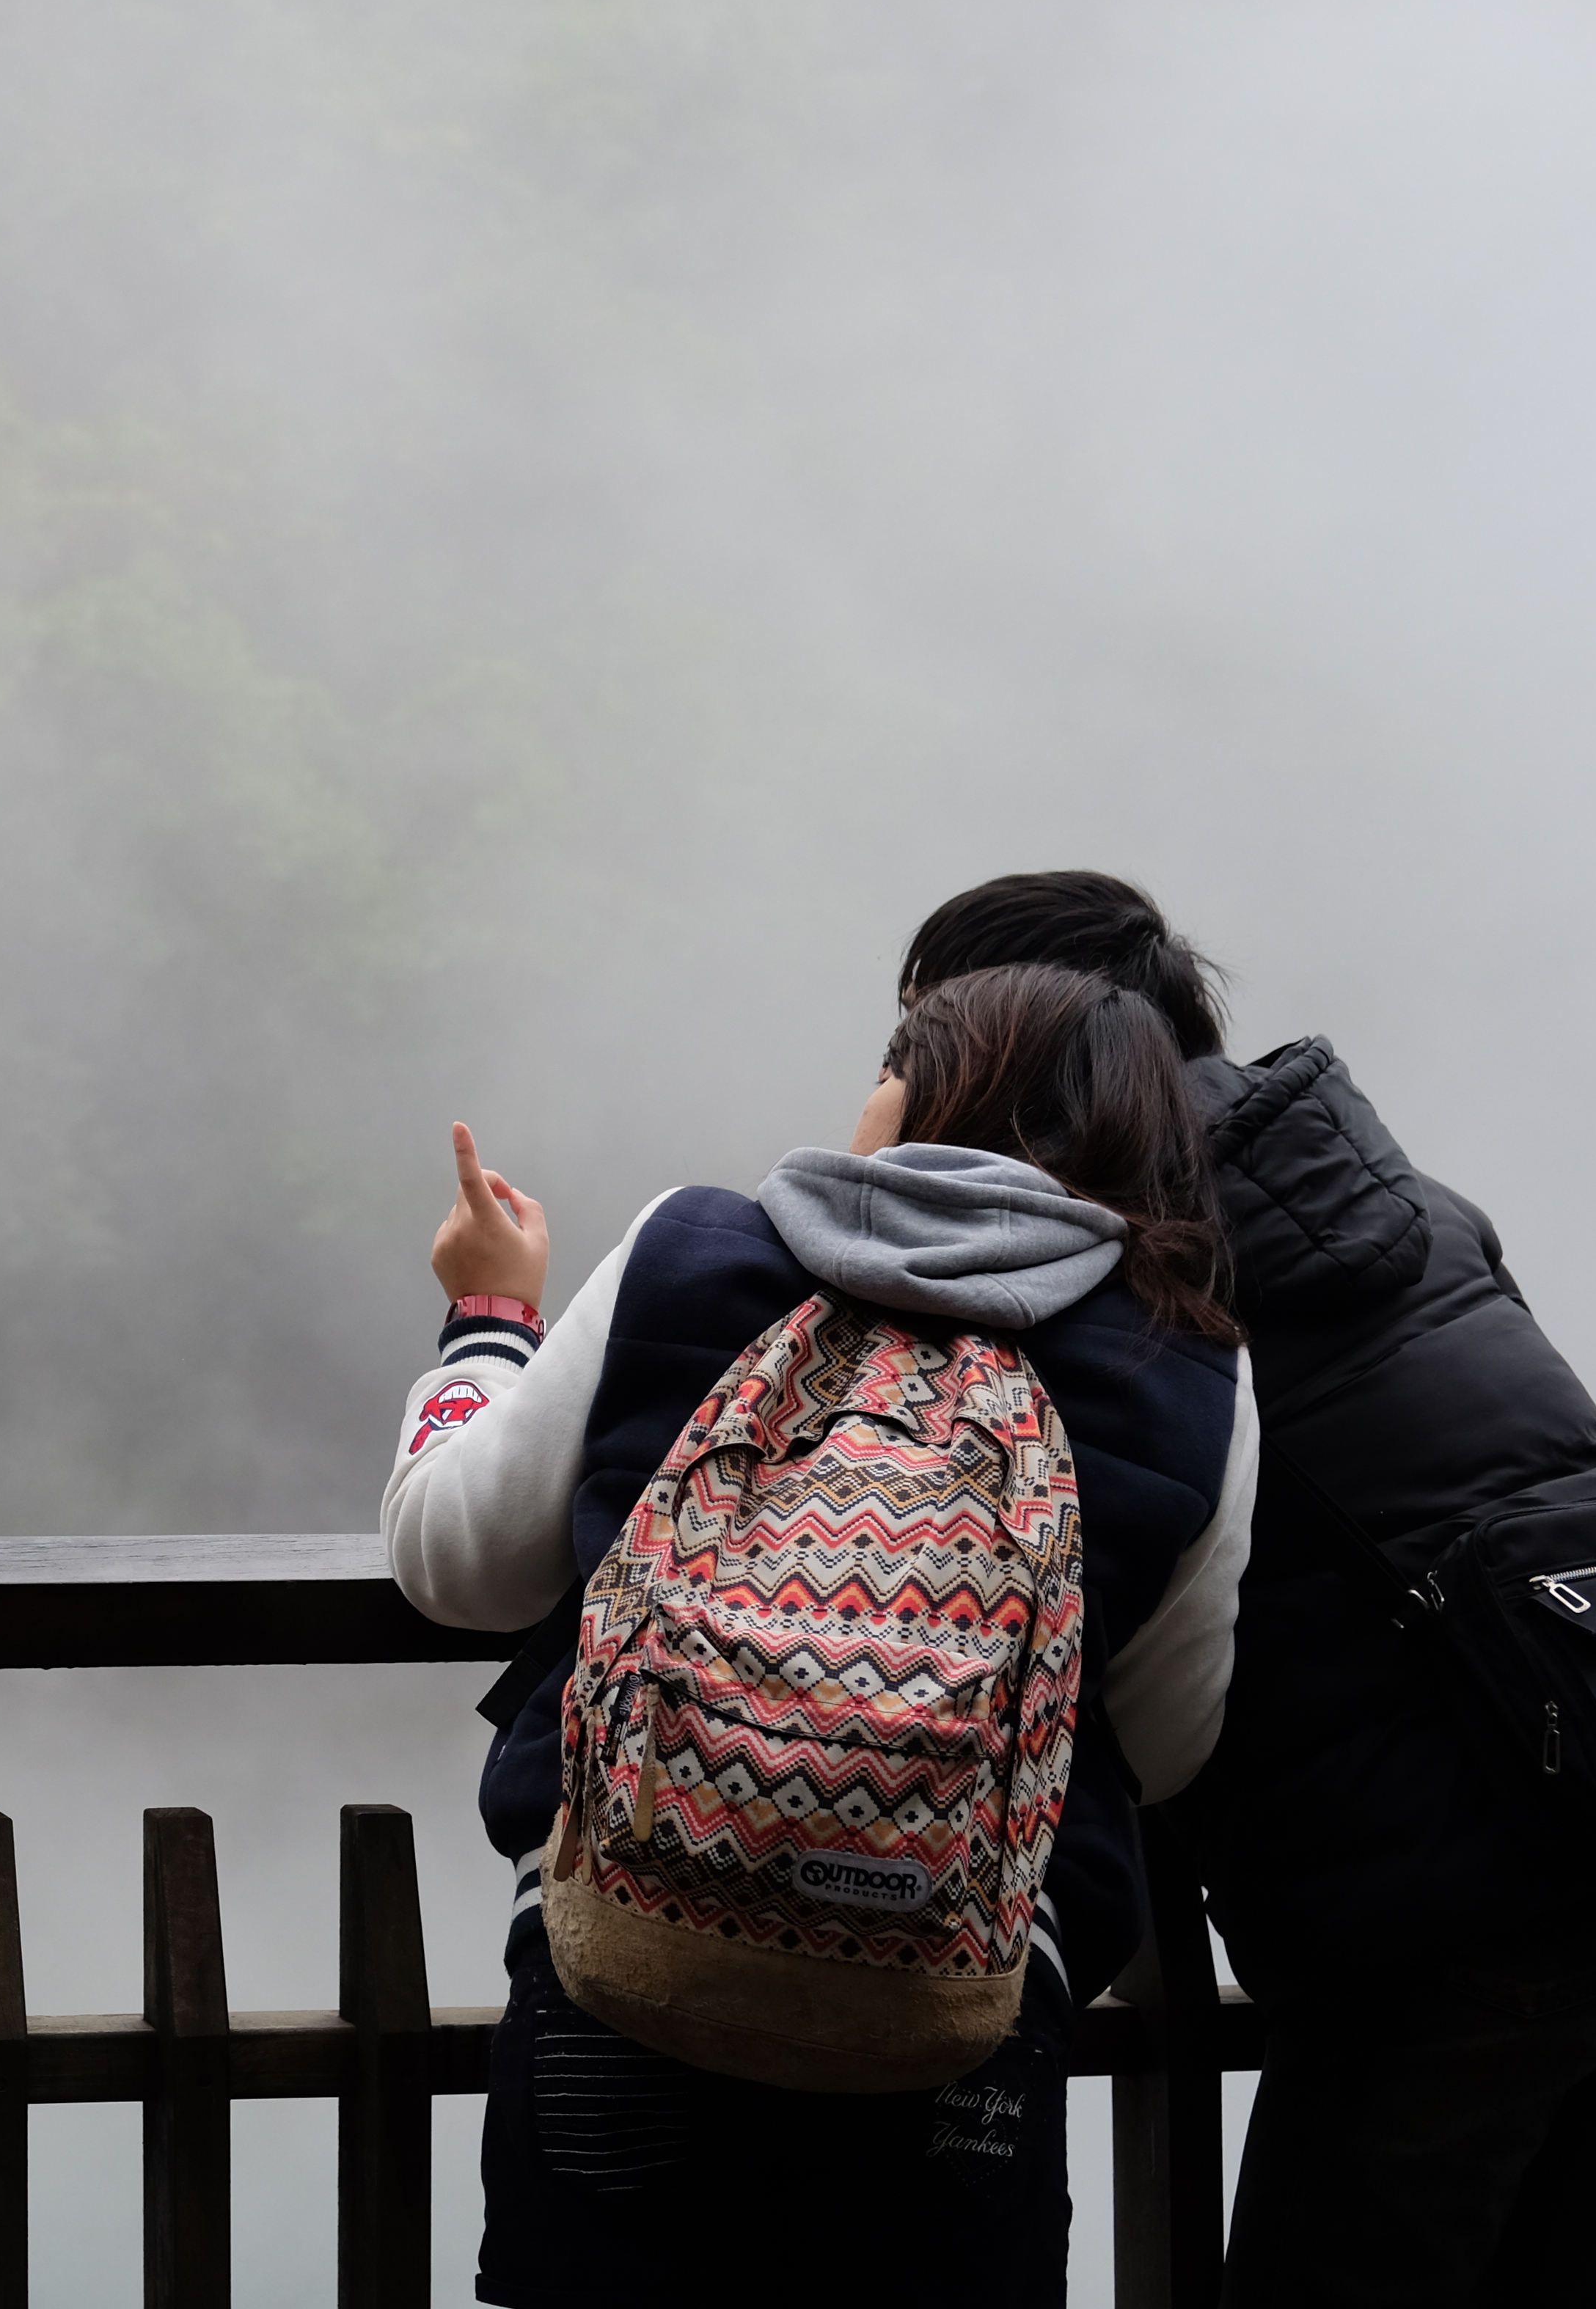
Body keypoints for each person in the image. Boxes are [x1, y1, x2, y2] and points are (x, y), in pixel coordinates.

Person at [387, 963, 1258, 2308]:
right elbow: (1169, 1736)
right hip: (958, 2029)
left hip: (627, 1982)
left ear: (913, 1094)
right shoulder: (1187, 1370)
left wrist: (489, 1326)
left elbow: (455, 1562)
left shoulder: (692, 1251)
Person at [900, 871, 1596, 2306]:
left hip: (1455, 1884)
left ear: (1025, 1041)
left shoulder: (1115, 1262)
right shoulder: (1401, 1199)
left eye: (927, 1033)